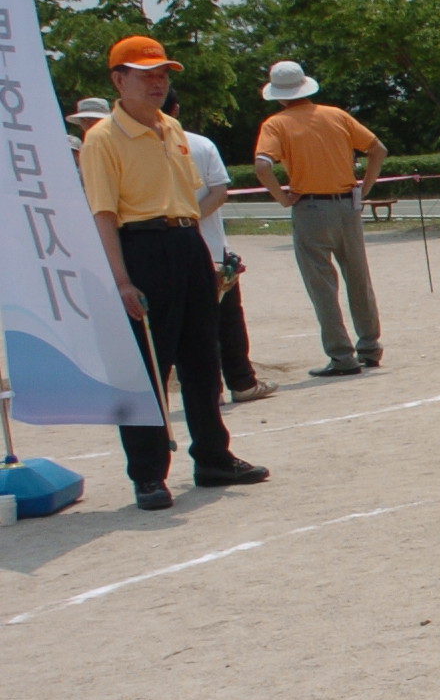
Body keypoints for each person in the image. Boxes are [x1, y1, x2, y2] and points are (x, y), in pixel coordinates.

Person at [78, 36, 270, 509]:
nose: (157, 82)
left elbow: (191, 202)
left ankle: (212, 457)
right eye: (145, 74)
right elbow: (102, 214)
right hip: (140, 247)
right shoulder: (101, 138)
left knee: (203, 360)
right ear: (118, 80)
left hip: (187, 244)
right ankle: (147, 474)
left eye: (162, 74)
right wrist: (121, 279)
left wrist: (206, 261)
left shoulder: (173, 128)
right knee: (147, 366)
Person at [251, 58, 386, 376]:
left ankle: (341, 355)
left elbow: (262, 165)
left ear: (279, 94)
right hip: (346, 205)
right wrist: (363, 189)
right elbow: (377, 149)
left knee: (322, 284)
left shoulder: (276, 124)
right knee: (358, 277)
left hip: (310, 208)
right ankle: (370, 346)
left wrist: (282, 198)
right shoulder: (336, 115)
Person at [163, 91, 273, 406]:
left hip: (166, 249)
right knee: (225, 320)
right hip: (209, 248)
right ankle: (241, 382)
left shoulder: (130, 148)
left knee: (186, 327)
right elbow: (220, 192)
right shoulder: (200, 144)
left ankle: (206, 392)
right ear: (177, 108)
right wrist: (190, 221)